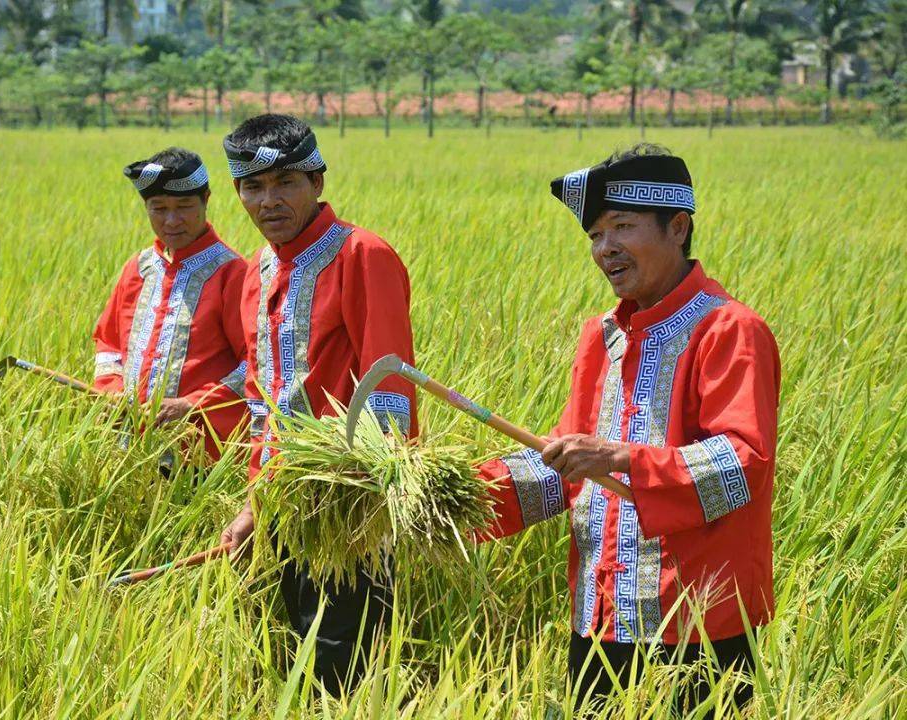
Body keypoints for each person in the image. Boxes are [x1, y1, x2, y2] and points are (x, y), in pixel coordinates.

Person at [476, 143, 780, 712]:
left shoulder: (729, 330)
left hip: (696, 624)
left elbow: (744, 465)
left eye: (621, 226)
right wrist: (456, 500)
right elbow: (567, 468)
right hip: (600, 614)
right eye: (594, 234)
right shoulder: (603, 336)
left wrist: (621, 459)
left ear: (678, 227)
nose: (604, 248)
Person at [217, 114, 417, 694]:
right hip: (283, 499)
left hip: (348, 505)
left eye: (286, 183)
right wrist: (257, 504)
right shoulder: (256, 272)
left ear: (319, 181)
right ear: (237, 192)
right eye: (254, 187)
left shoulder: (362, 255)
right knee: (297, 650)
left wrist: (362, 496)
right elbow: (265, 403)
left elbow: (389, 388)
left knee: (347, 664)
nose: (268, 200)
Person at [93, 147, 248, 462]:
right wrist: (111, 390)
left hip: (202, 452)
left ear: (206, 199)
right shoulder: (138, 268)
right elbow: (108, 344)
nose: (171, 220)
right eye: (158, 208)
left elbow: (255, 365)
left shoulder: (231, 273)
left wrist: (191, 404)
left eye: (185, 206)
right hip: (129, 449)